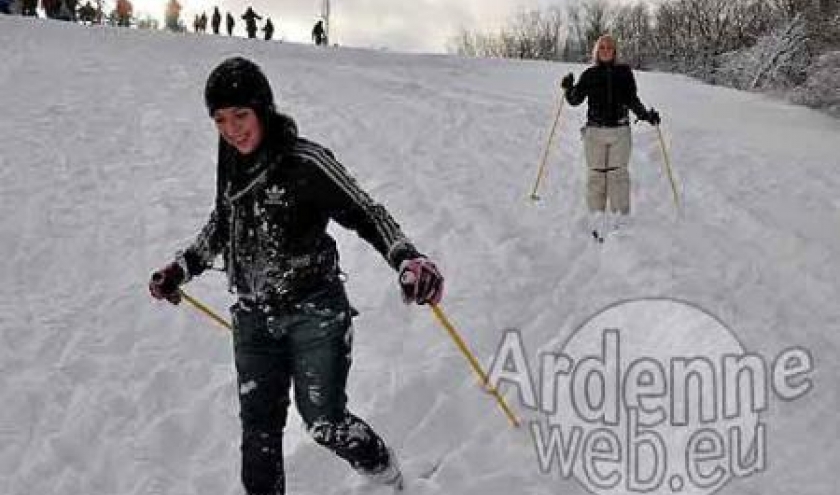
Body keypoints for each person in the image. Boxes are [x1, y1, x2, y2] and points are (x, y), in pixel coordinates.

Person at [148, 57, 443, 495]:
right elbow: (222, 221)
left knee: (324, 421)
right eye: (220, 119)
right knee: (258, 434)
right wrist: (183, 266)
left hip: (315, 311)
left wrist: (406, 257)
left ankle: (385, 474)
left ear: (262, 109)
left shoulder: (305, 161)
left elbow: (365, 211)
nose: (232, 129)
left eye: (241, 115)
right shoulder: (230, 163)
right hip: (253, 317)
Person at [561, 34, 660, 240]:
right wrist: (568, 88)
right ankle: (596, 221)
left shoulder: (624, 73)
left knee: (618, 176)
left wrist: (646, 115)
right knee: (596, 176)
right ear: (597, 51)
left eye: (610, 47)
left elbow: (632, 99)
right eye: (602, 47)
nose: (606, 50)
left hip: (620, 131)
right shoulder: (589, 74)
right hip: (594, 133)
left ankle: (620, 221)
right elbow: (575, 100)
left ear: (615, 51)